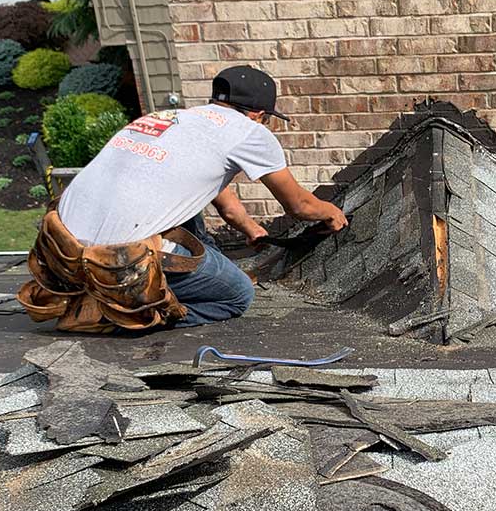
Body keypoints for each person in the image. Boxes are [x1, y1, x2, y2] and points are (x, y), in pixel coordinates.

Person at [53, 65, 348, 327]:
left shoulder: (173, 118)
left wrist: (250, 228)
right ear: (259, 114)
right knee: (237, 296)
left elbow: (223, 200)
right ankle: (121, 315)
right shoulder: (250, 132)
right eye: (266, 119)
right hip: (117, 262)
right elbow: (300, 205)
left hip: (61, 251)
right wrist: (332, 213)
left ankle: (157, 284)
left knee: (184, 202)